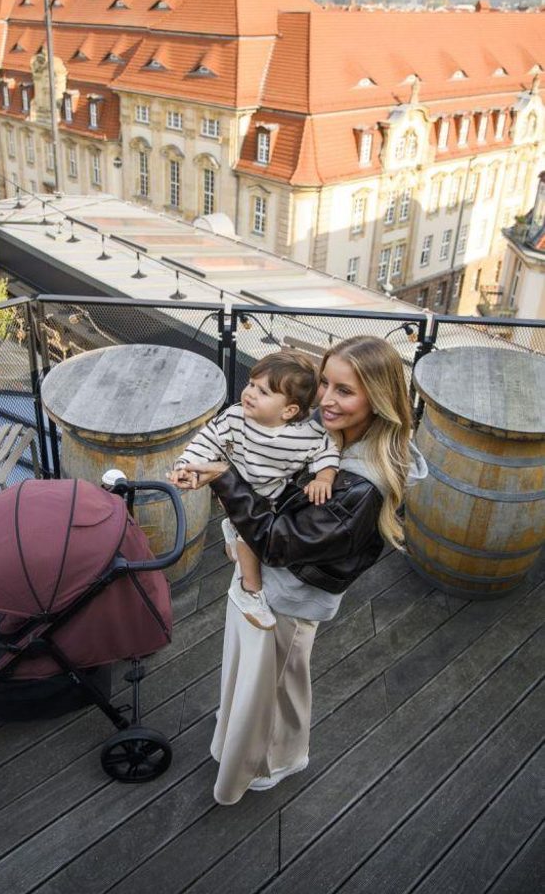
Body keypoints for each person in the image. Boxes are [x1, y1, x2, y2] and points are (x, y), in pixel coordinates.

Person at [176, 335, 427, 806]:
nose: (324, 400)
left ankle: (264, 766)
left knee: (271, 688)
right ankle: (264, 745)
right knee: (272, 681)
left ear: (377, 398)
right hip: (278, 585)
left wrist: (225, 479)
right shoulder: (335, 435)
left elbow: (277, 543)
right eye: (325, 383)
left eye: (344, 391)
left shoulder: (359, 486)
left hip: (288, 595)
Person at [169, 351, 341, 629]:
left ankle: (232, 527)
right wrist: (185, 465)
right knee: (250, 541)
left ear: (289, 411)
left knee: (256, 530)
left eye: (263, 391)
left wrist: (324, 477)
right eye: (251, 384)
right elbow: (207, 440)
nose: (249, 393)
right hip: (235, 489)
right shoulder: (235, 417)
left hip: (268, 497)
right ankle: (249, 590)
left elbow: (327, 451)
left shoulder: (306, 435)